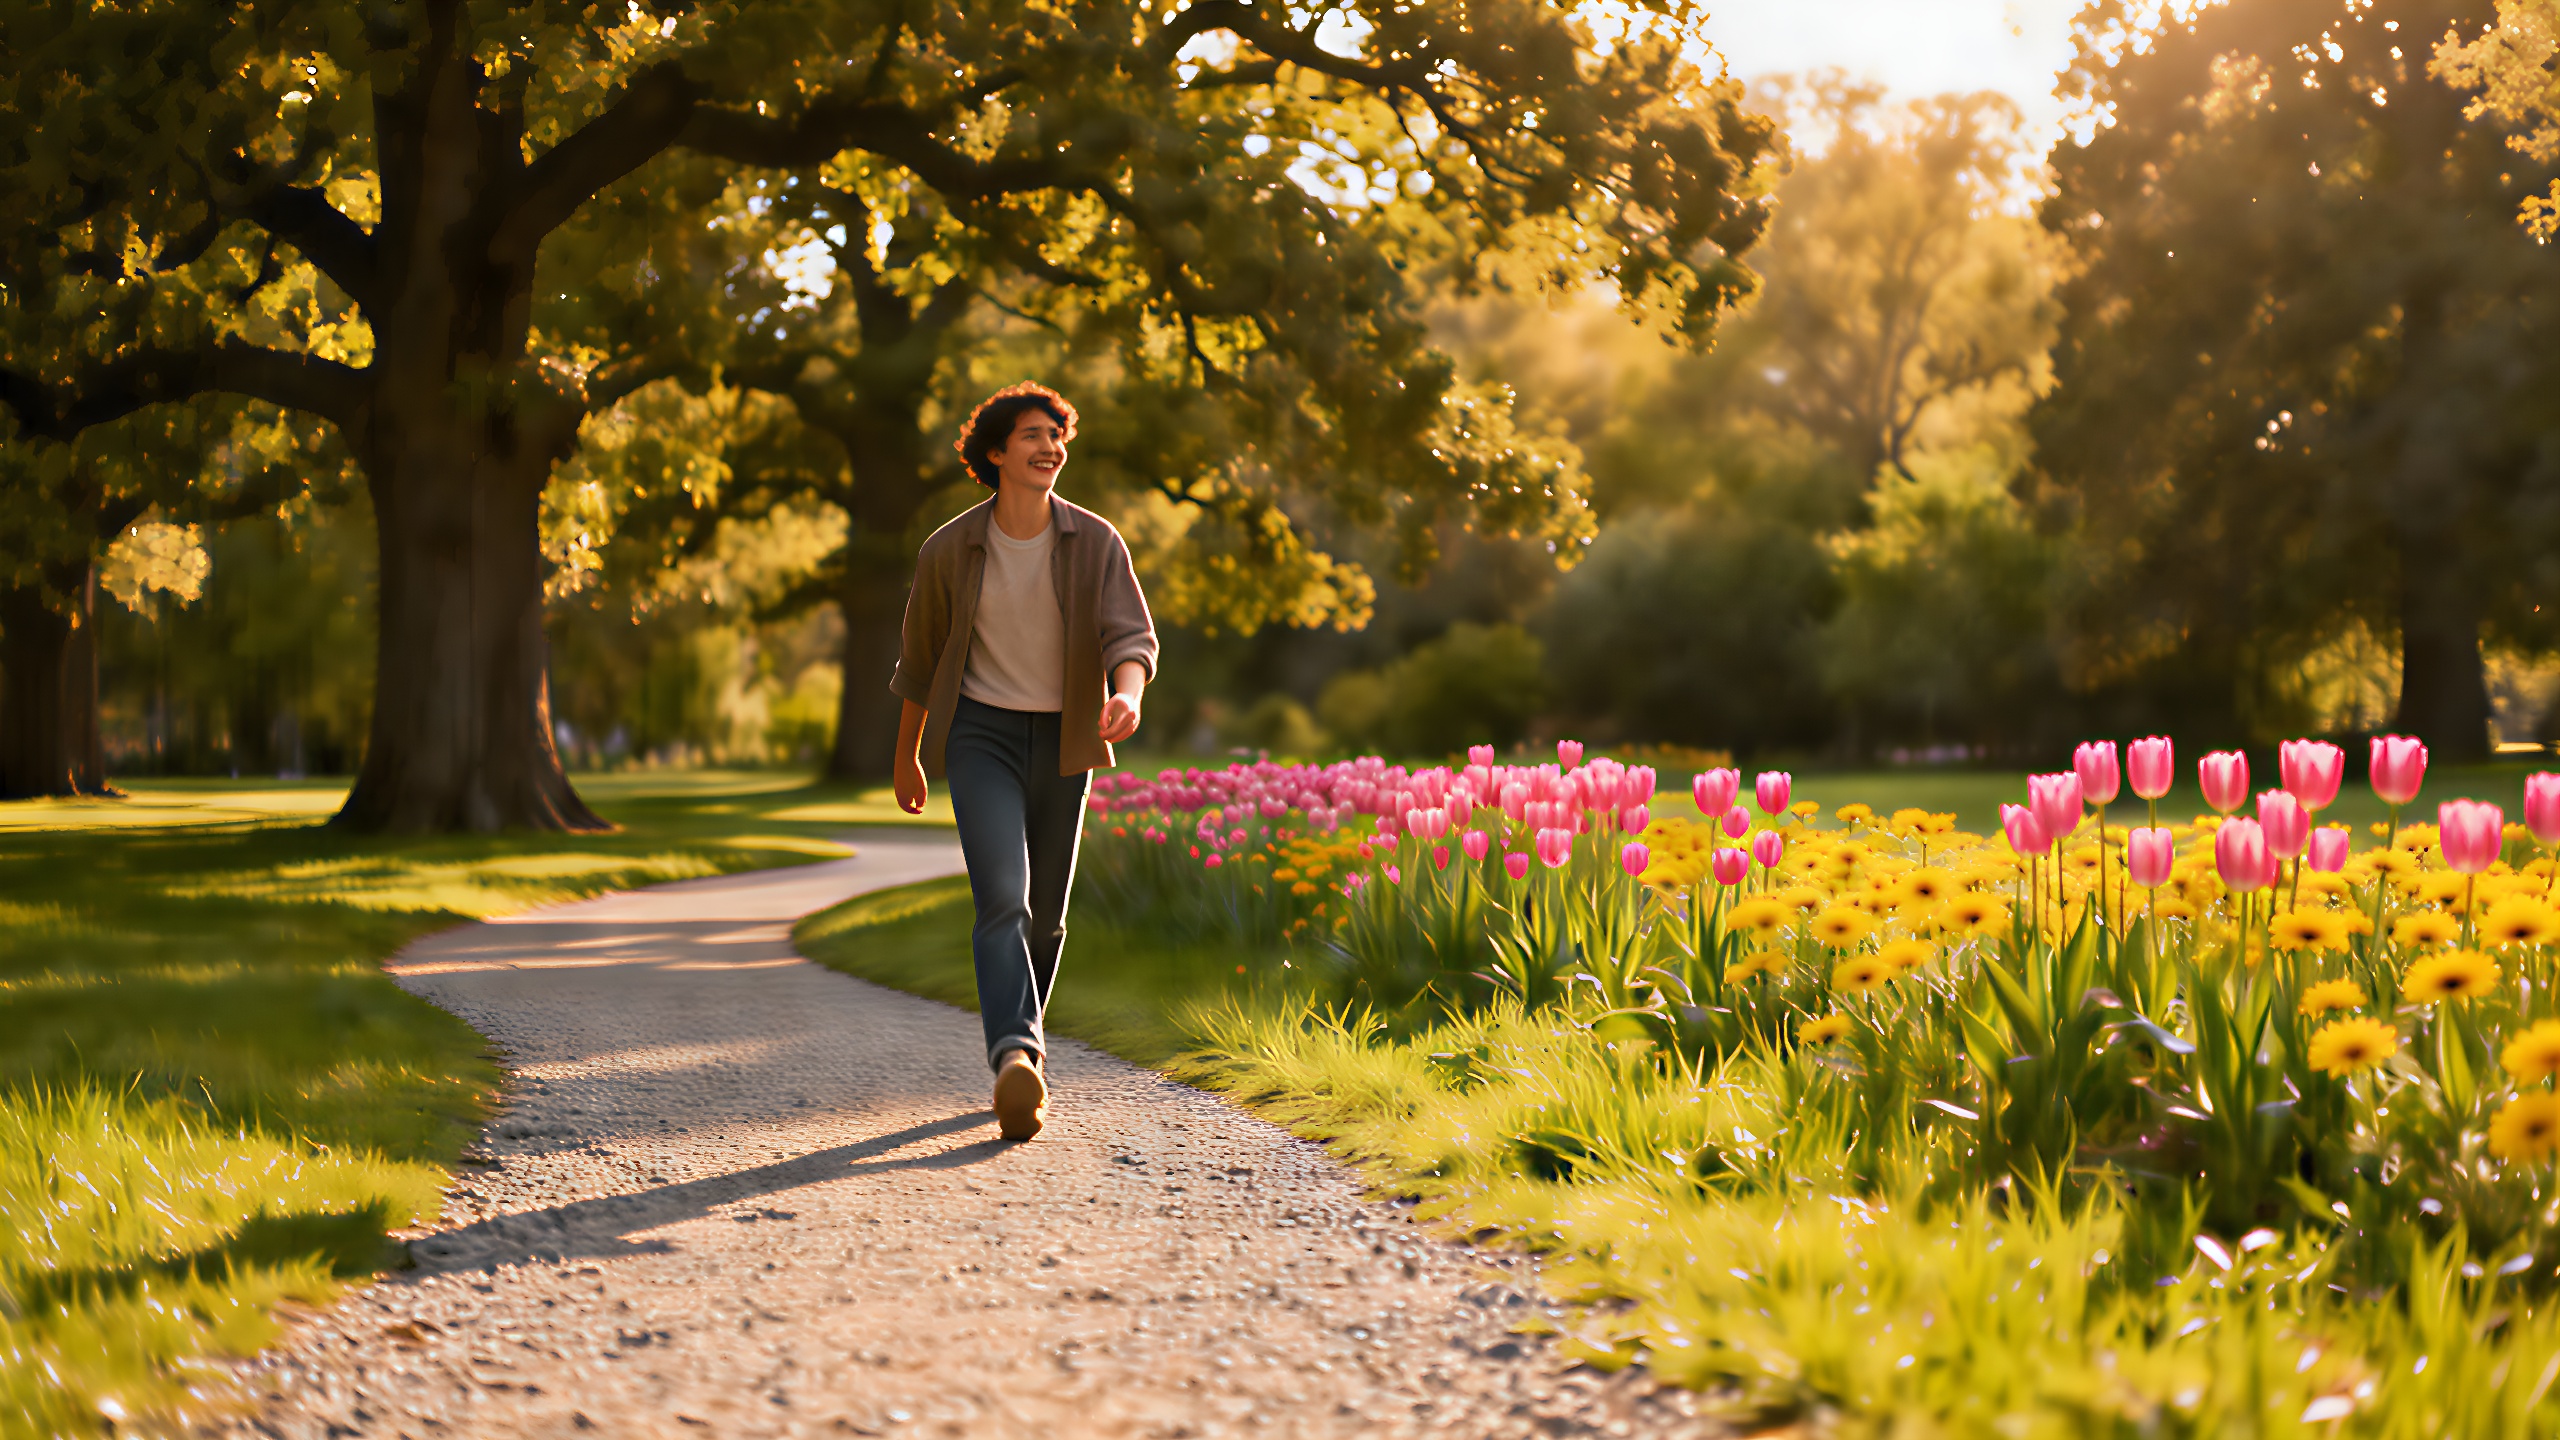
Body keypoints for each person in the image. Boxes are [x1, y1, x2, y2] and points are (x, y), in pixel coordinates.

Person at [888, 383, 1157, 1140]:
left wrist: (1127, 694)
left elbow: (1129, 636)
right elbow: (918, 663)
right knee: (1004, 897)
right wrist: (906, 757)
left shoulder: (1095, 541)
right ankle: (1015, 1054)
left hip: (1066, 738)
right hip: (981, 736)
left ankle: (1022, 1054)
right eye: (1033, 434)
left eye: (1056, 435)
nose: (1050, 447)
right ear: (997, 452)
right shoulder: (948, 549)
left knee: (1047, 921)